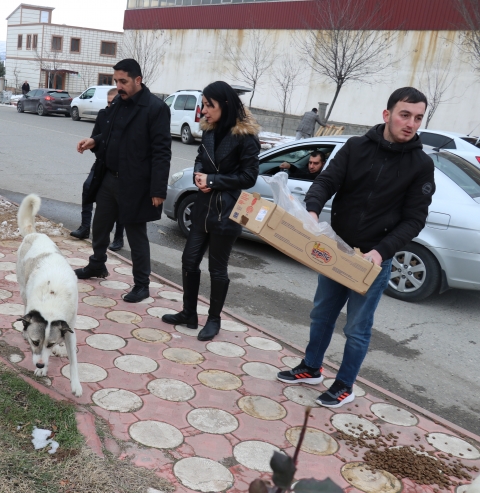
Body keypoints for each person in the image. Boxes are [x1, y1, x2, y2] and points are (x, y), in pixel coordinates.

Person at [277, 87, 435, 408]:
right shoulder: (356, 147)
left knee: (357, 328)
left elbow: (414, 219)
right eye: (405, 114)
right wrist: (311, 209)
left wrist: (381, 251)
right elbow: (327, 181)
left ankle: (345, 385)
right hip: (337, 249)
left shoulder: (420, 165)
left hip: (373, 261)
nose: (411, 123)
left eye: (418, 117)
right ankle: (311, 367)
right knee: (322, 314)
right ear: (387, 114)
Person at [161, 81, 260, 341]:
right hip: (203, 208)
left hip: (226, 212)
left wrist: (214, 181)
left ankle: (214, 320)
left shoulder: (245, 137)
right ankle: (188, 314)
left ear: (225, 105)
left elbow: (249, 176)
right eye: (203, 104)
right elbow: (200, 158)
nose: (203, 110)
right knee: (189, 260)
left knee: (218, 269)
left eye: (208, 105)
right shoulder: (209, 131)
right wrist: (197, 175)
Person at [74, 59, 171, 303]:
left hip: (136, 184)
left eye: (123, 81)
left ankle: (142, 284)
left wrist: (158, 189)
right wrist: (94, 141)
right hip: (109, 177)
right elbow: (109, 133)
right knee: (100, 226)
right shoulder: (118, 101)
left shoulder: (155, 108)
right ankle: (97, 265)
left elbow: (162, 152)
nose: (119, 86)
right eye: (116, 81)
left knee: (136, 235)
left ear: (138, 80)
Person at [70, 88, 125, 251]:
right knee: (88, 189)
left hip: (118, 167)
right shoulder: (103, 115)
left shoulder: (124, 118)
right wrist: (95, 146)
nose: (110, 105)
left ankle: (118, 238)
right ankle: (85, 227)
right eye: (108, 102)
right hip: (101, 162)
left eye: (113, 102)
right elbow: (95, 140)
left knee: (118, 202)